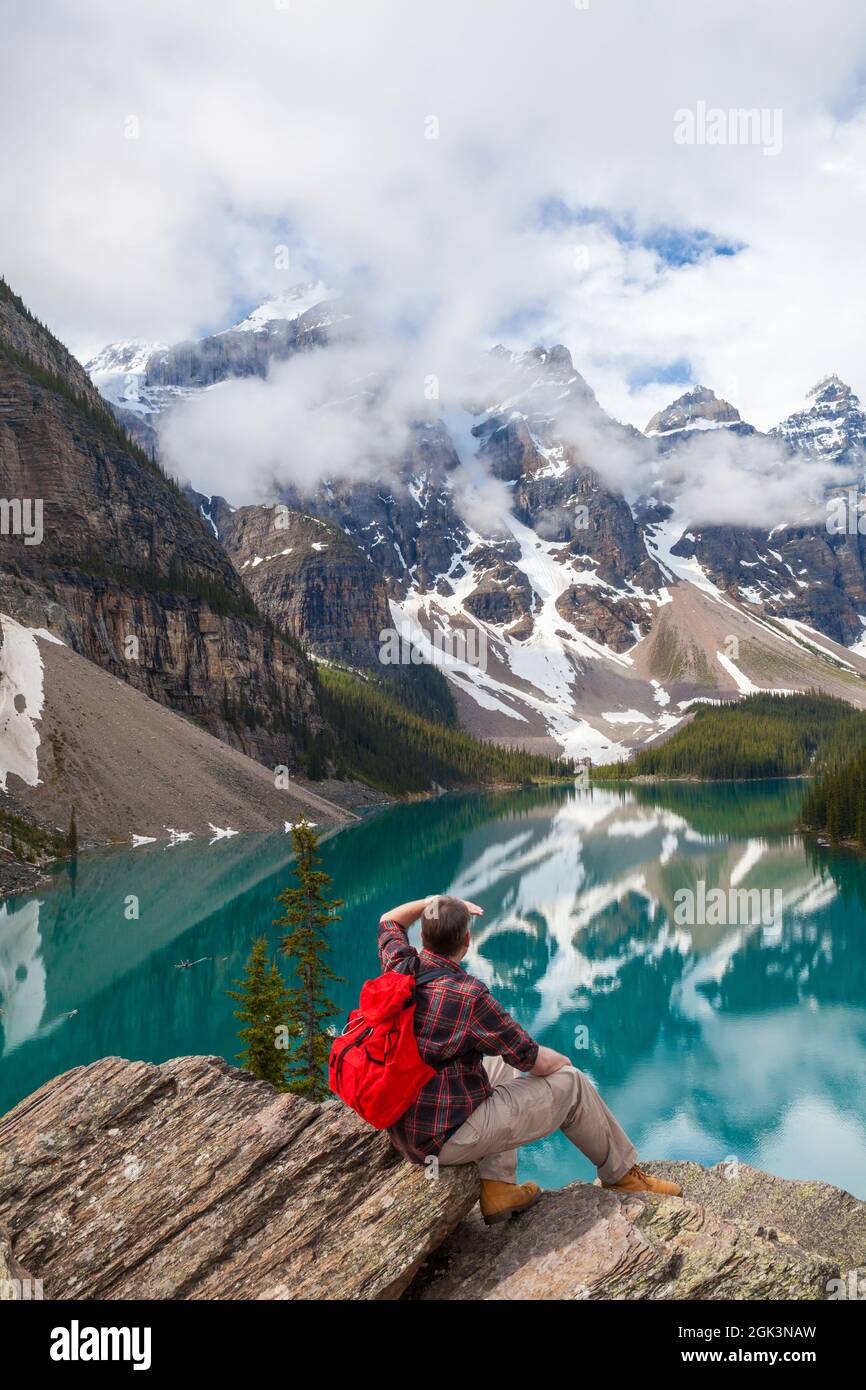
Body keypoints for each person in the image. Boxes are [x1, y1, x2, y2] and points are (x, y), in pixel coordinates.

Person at [378, 891, 682, 1225]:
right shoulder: (468, 995)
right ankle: (621, 1176)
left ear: (422, 937)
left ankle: (498, 1188)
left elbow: (389, 920)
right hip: (443, 1141)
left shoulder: (400, 966)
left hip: (405, 1127)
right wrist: (561, 1064)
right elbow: (530, 1057)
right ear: (467, 939)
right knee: (574, 1085)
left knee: (498, 1061)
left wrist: (431, 903)